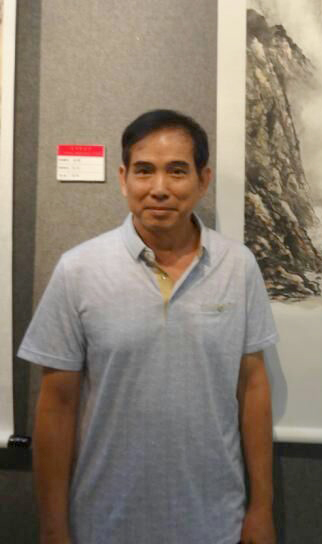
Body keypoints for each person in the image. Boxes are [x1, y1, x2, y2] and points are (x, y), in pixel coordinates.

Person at [18, 109, 279, 544]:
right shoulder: (78, 269)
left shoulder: (238, 266)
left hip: (215, 522)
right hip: (103, 523)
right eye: (144, 171)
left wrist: (262, 507)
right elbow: (56, 405)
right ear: (123, 179)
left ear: (203, 180)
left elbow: (253, 387)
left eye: (177, 171)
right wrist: (52, 527)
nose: (159, 188)